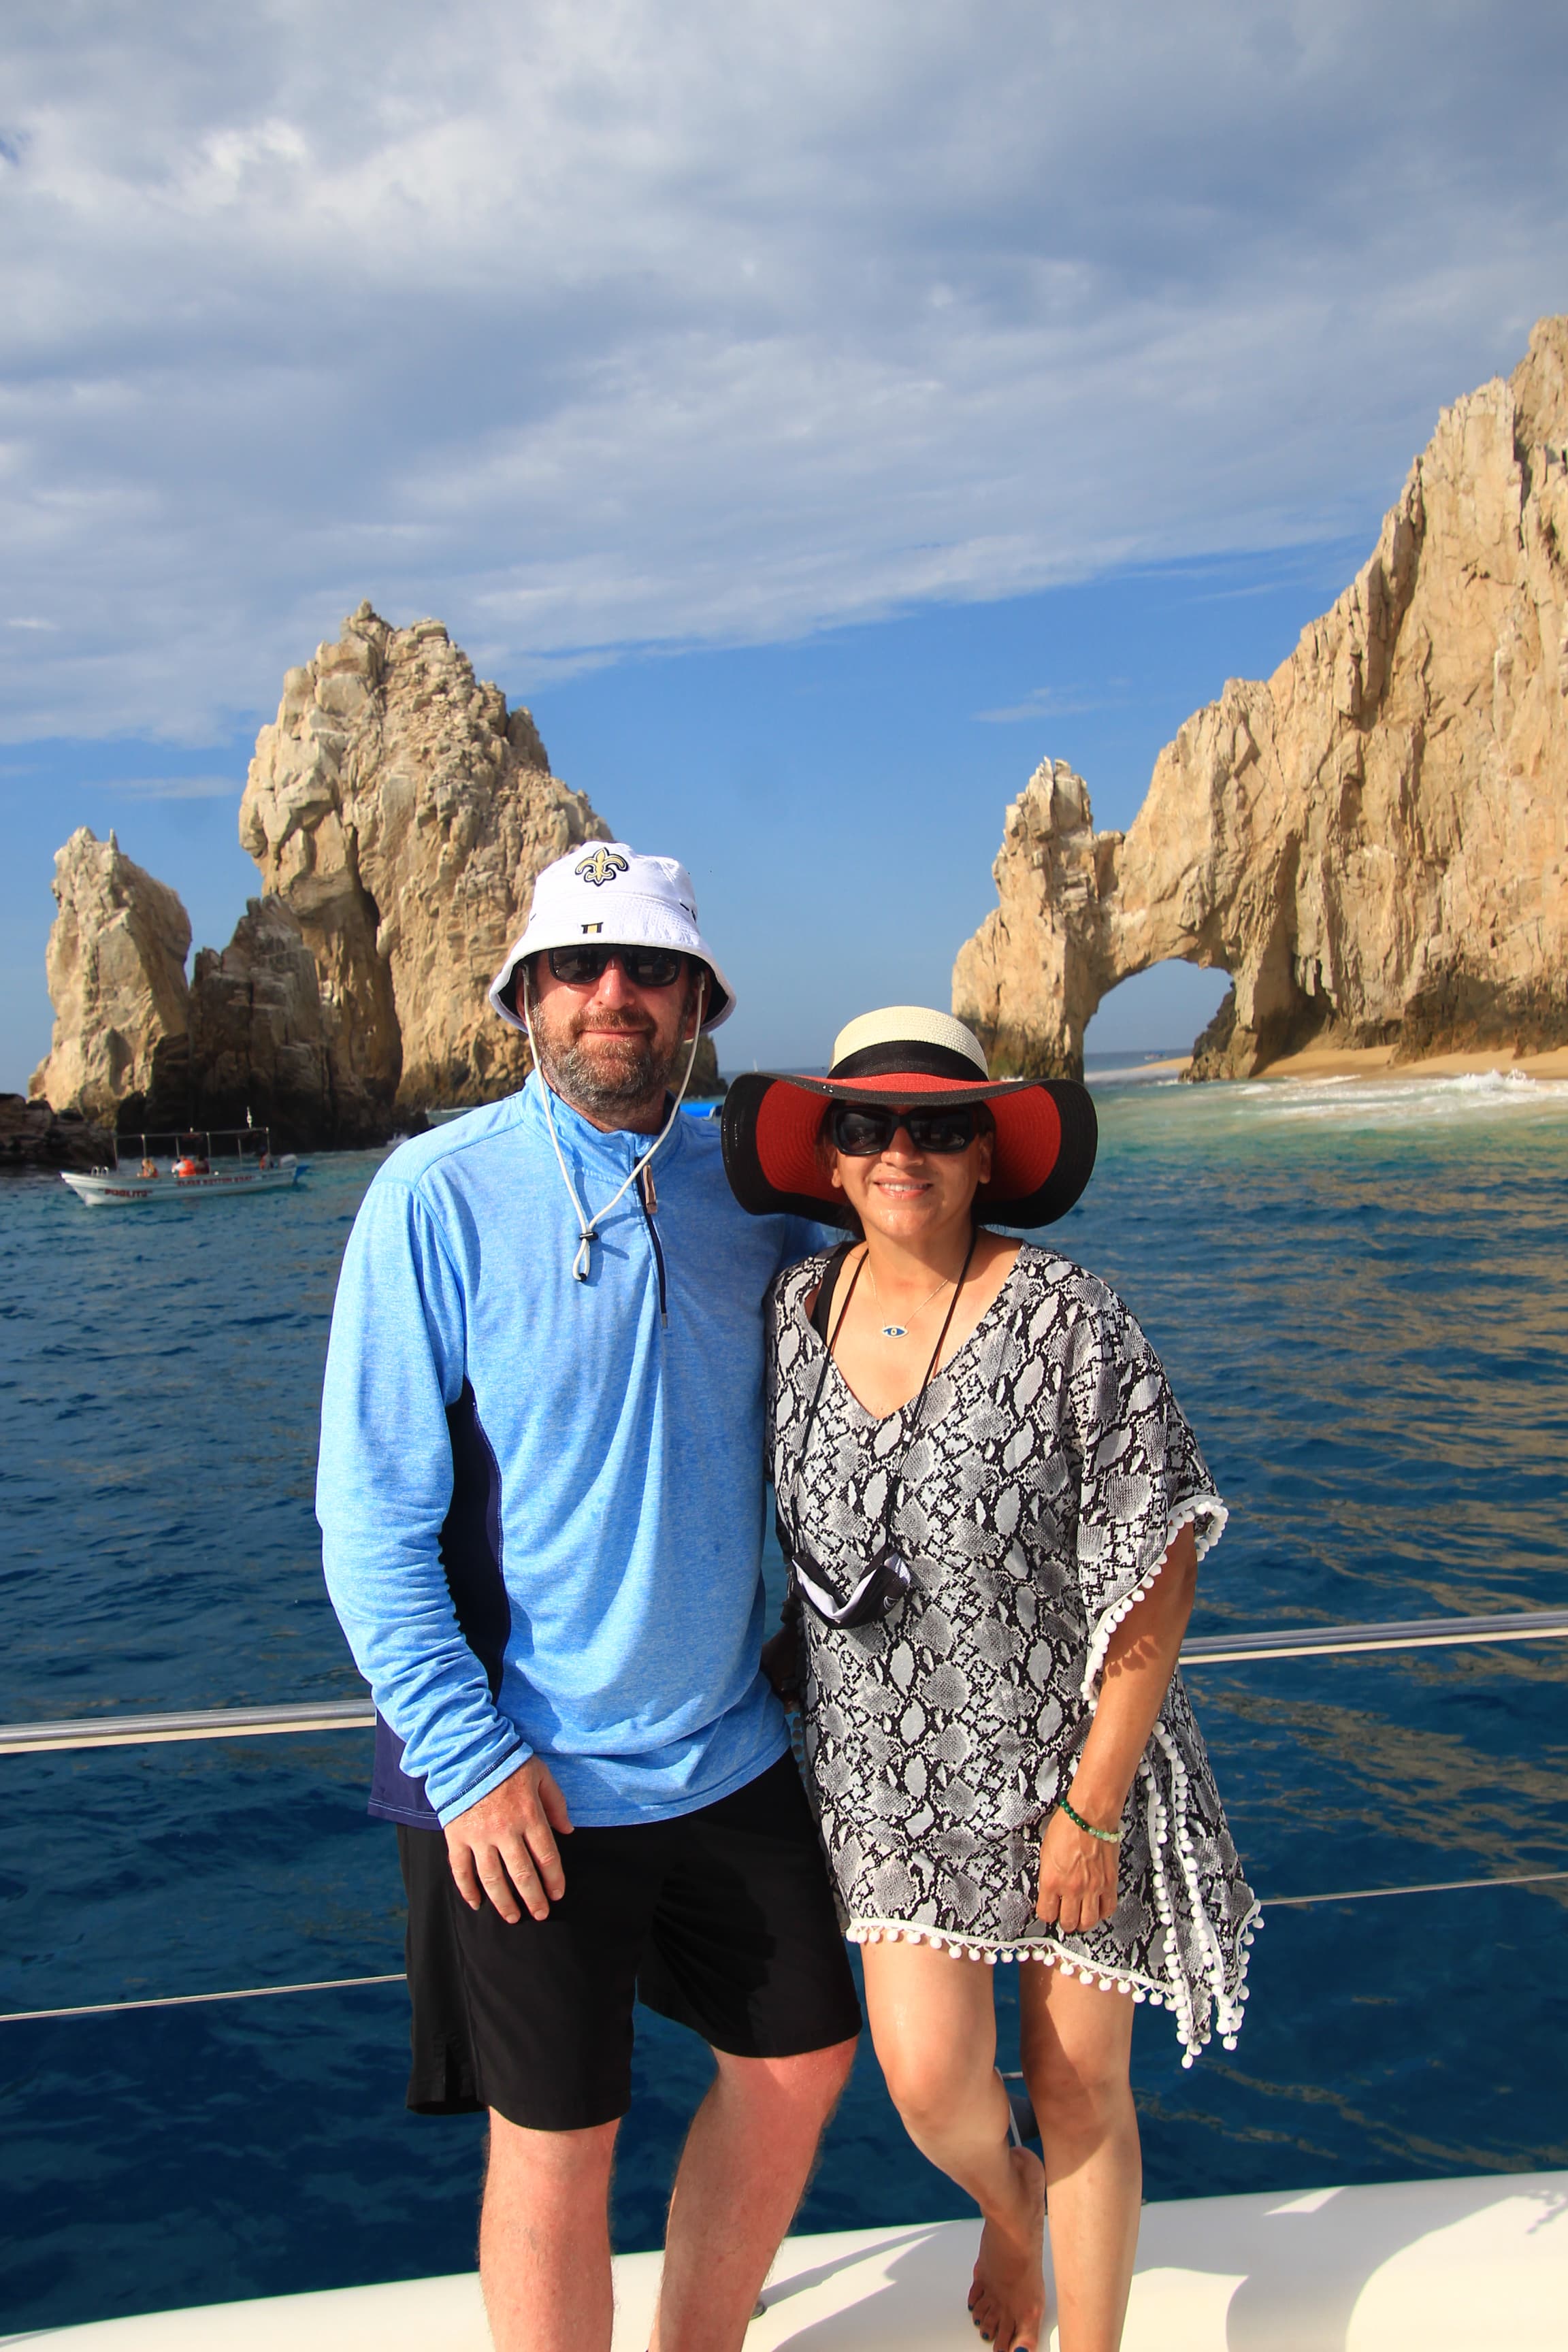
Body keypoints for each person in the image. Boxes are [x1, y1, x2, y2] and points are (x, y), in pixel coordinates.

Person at [318, 845, 861, 2352]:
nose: (611, 995)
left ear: (699, 1003)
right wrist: (469, 1759)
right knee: (559, 2145)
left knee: (804, 2058)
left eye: (647, 969)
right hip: (524, 1775)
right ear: (525, 1000)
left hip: (728, 1750)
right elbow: (368, 1517)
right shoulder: (434, 1194)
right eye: (577, 966)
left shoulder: (762, 1194)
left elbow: (905, 1310)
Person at [723, 1007, 1257, 2352]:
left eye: (940, 1125)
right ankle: (1012, 2210)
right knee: (932, 2086)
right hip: (886, 1780)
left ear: (985, 1159)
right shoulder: (788, 1313)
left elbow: (1158, 1562)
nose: (902, 1148)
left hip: (1081, 1756)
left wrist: (1094, 1805)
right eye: (867, 1125)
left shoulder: (1069, 1316)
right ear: (830, 1165)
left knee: (1080, 2089)